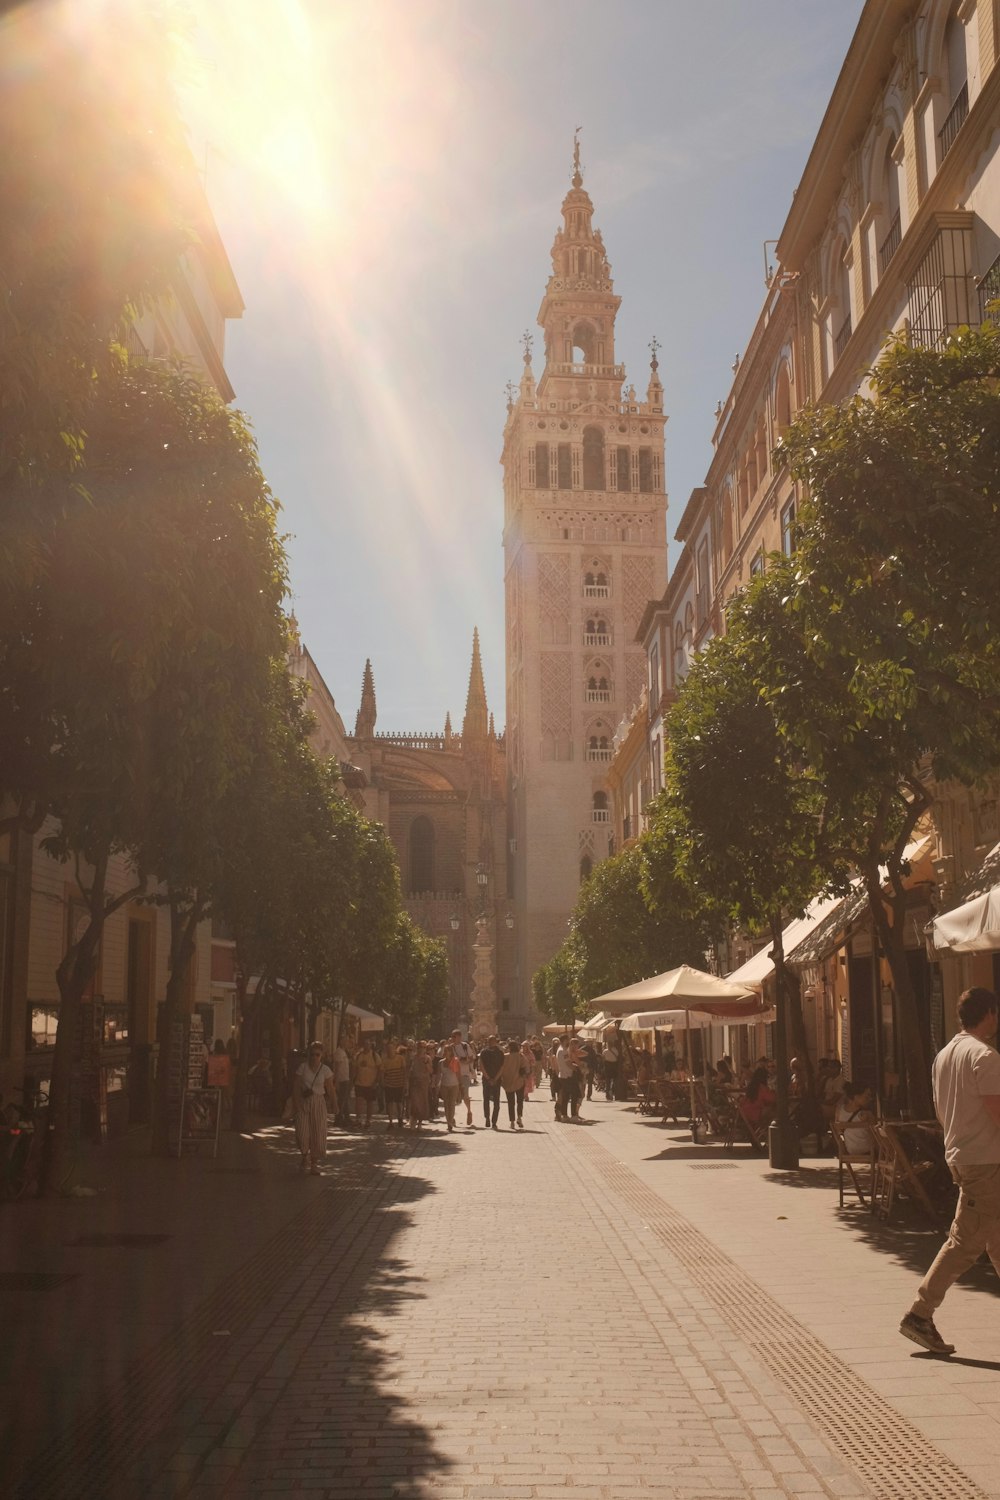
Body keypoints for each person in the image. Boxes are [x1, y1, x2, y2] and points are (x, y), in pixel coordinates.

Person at [901, 987, 1000, 1356]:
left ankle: (920, 1314)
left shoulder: (944, 1056)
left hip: (962, 1155)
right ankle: (919, 1314)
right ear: (989, 1013)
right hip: (985, 1160)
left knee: (996, 1240)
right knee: (965, 1243)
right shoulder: (985, 1057)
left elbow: (942, 1111)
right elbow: (997, 1112)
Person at [293, 1042, 335, 1175]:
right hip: (304, 1102)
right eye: (312, 1054)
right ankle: (304, 1156)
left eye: (317, 1054)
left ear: (321, 1055)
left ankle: (314, 1163)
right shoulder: (302, 1067)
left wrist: (335, 1104)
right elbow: (296, 1086)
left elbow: (330, 1089)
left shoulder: (325, 1070)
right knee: (302, 1133)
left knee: (318, 1132)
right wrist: (297, 1103)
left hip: (318, 1101)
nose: (314, 1057)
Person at [835, 1081, 875, 1154]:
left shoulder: (839, 1111)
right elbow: (876, 1134)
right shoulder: (866, 1114)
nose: (870, 1099)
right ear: (856, 1097)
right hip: (868, 1151)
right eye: (867, 1096)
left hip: (849, 1150)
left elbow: (839, 1131)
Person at [352, 1038, 381, 1130]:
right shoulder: (359, 1055)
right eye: (364, 1044)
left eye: (368, 1044)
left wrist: (376, 1081)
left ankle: (368, 1120)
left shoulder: (374, 1055)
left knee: (369, 1103)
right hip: (359, 1083)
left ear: (370, 1045)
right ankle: (358, 1120)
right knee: (358, 1102)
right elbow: (355, 1068)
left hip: (371, 1084)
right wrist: (353, 1079)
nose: (366, 1046)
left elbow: (380, 1069)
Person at [500, 1039, 529, 1129]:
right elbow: (527, 1069)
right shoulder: (521, 1056)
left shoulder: (505, 1057)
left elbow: (501, 1069)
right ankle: (519, 1117)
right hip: (519, 1081)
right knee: (520, 1101)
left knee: (510, 1102)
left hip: (508, 1082)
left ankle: (512, 1122)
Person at [450, 1028, 475, 1127]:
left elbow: (472, 1057)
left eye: (455, 1037)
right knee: (453, 1097)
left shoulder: (465, 1046)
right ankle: (452, 1117)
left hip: (464, 1074)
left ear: (459, 1037)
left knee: (465, 1096)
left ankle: (469, 1112)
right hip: (453, 1074)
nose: (453, 1038)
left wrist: (465, 1061)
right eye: (453, 1037)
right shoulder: (450, 1048)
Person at [479, 1034, 504, 1129]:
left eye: (492, 1041)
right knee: (488, 1100)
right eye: (490, 1041)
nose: (491, 1042)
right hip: (489, 1079)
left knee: (495, 1101)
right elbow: (481, 1066)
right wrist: (490, 1078)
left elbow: (502, 1067)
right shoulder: (484, 1052)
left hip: (492, 1080)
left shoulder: (499, 1053)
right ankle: (488, 1119)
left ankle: (493, 1120)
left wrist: (493, 1078)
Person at [381, 1043, 408, 1131]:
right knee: (389, 1103)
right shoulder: (384, 1060)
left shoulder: (400, 1059)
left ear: (394, 1050)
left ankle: (400, 1118)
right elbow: (382, 1072)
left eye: (391, 1049)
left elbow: (404, 1071)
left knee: (399, 1103)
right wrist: (382, 1082)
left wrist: (405, 1083)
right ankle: (391, 1121)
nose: (390, 1051)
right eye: (388, 1050)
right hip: (389, 1084)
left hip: (399, 1084)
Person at [407, 1041, 432, 1129]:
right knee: (414, 1102)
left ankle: (420, 1122)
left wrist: (426, 1063)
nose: (422, 1049)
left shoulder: (427, 1058)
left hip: (424, 1082)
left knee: (423, 1102)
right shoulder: (413, 1058)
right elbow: (409, 1069)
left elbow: (430, 1071)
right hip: (414, 1081)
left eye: (424, 1047)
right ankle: (413, 1119)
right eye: (420, 1047)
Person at [438, 1043, 461, 1130]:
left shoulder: (455, 1061)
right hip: (444, 1085)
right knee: (446, 1105)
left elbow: (459, 1074)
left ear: (451, 1052)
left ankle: (450, 1122)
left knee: (452, 1104)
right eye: (446, 1051)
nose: (447, 1052)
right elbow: (438, 1075)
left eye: (449, 1051)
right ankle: (449, 1121)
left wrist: (460, 1086)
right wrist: (437, 1086)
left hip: (454, 1085)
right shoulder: (441, 1062)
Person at [331, 1037, 353, 1128]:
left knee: (345, 1100)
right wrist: (336, 1081)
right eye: (345, 1041)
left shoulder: (344, 1052)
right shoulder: (339, 1052)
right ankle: (338, 1119)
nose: (347, 1043)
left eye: (347, 1042)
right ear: (341, 1042)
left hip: (346, 1078)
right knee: (341, 1101)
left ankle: (347, 1118)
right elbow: (337, 1067)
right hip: (341, 1080)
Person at [602, 1036, 620, 1100]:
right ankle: (614, 1093)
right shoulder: (616, 1051)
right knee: (614, 1081)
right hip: (614, 1066)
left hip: (607, 1066)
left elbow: (603, 1059)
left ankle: (607, 1095)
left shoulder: (605, 1051)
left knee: (607, 1082)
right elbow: (617, 1058)